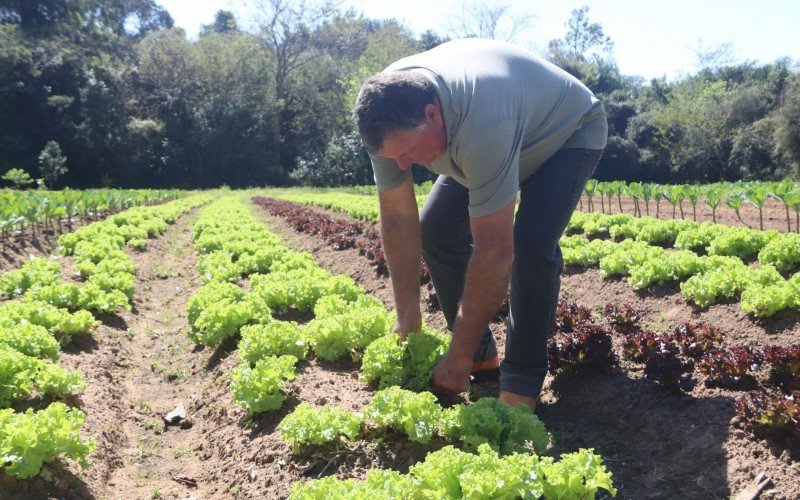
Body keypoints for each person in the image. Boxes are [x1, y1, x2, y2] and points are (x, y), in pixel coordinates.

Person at [353, 38, 607, 412]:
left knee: (531, 242)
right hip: (491, 133)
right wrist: (407, 319)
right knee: (436, 228)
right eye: (395, 157)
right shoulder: (387, 120)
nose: (405, 165)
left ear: (432, 115)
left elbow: (495, 251)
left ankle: (521, 381)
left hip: (564, 134)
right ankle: (480, 354)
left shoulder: (483, 123)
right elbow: (397, 217)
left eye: (408, 152)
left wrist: (454, 358)